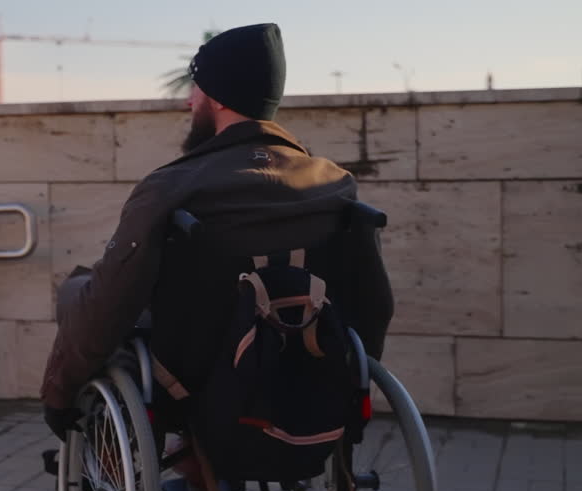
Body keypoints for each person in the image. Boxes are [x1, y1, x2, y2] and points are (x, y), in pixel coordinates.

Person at [40, 22, 391, 445]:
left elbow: (109, 301)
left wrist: (58, 395)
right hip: (311, 365)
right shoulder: (335, 184)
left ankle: (114, 454)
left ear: (218, 99)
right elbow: (374, 301)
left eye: (197, 89)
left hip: (190, 384)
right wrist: (353, 371)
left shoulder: (171, 187)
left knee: (83, 295)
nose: (189, 100)